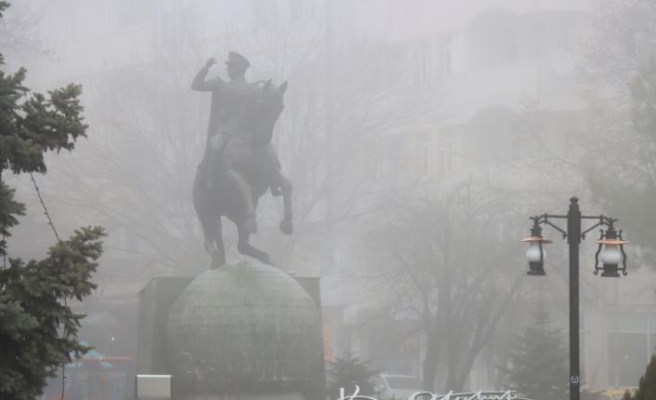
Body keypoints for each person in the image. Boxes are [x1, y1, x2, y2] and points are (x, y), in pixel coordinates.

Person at [192, 51, 258, 232]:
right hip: (224, 130)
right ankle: (211, 178)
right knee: (216, 146)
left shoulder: (252, 88)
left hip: (244, 132)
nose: (228, 68)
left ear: (242, 68)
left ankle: (273, 181)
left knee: (264, 149)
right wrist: (205, 69)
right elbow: (196, 85)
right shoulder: (220, 85)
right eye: (228, 65)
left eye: (232, 65)